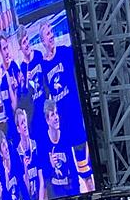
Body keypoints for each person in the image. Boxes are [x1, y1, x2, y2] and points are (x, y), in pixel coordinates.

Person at [38, 19, 93, 190]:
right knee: (68, 174)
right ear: (42, 41)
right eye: (48, 34)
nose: (52, 36)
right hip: (61, 127)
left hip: (75, 120)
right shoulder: (43, 66)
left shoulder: (64, 52)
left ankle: (94, 197)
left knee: (85, 170)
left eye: (51, 32)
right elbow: (46, 98)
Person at [39, 99, 82, 198]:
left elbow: (73, 168)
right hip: (55, 194)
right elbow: (45, 176)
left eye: (56, 113)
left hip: (69, 189)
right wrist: (51, 164)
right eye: (52, 115)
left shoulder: (65, 137)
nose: (56, 117)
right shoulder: (43, 143)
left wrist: (78, 194)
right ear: (47, 120)